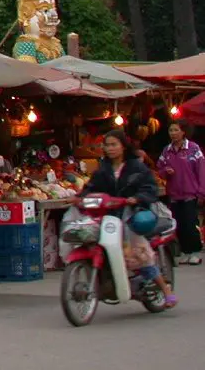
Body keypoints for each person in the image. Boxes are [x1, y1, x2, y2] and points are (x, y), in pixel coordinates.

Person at [71, 129, 176, 308]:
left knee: (137, 251)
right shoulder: (103, 169)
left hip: (132, 214)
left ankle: (166, 290)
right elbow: (91, 187)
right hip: (109, 216)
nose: (110, 148)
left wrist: (137, 198)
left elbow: (149, 187)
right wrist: (80, 197)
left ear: (123, 146)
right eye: (107, 145)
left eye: (114, 144)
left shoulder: (137, 167)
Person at [157, 121, 205, 266]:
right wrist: (166, 172)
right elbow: (160, 169)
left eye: (176, 130)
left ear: (183, 132)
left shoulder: (193, 149)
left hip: (190, 193)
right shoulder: (167, 151)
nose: (172, 133)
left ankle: (195, 252)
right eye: (170, 130)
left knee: (191, 224)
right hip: (174, 194)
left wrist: (202, 192)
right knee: (179, 225)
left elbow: (202, 171)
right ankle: (185, 252)